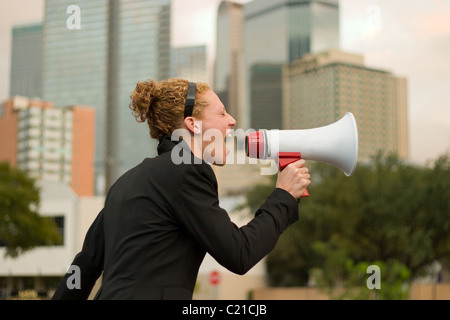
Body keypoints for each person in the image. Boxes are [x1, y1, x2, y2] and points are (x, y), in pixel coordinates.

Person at [52, 78, 310, 300]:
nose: (232, 121)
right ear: (192, 124)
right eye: (221, 113)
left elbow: (84, 267)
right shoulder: (187, 171)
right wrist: (283, 196)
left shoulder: (126, 181)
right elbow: (240, 253)